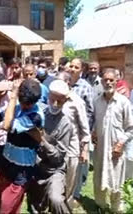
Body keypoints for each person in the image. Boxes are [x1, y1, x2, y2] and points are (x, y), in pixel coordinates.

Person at [0, 79, 44, 214]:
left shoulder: (35, 116)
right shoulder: (17, 108)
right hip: (6, 163)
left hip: (21, 171)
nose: (25, 106)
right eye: (23, 103)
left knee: (7, 208)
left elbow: (7, 125)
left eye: (29, 104)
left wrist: (13, 95)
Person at [27, 80, 73, 214]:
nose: (55, 104)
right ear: (48, 96)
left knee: (56, 199)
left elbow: (59, 157)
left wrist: (42, 140)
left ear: (65, 101)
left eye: (60, 101)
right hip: (36, 169)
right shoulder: (39, 113)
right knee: (36, 207)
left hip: (54, 171)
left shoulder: (65, 124)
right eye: (52, 99)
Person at [93, 68, 133, 213]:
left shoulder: (124, 102)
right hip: (100, 148)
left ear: (117, 81)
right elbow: (97, 122)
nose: (108, 82)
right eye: (105, 80)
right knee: (98, 177)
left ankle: (117, 208)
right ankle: (101, 205)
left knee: (116, 179)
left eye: (111, 80)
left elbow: (131, 128)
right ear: (101, 81)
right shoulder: (97, 101)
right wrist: (94, 132)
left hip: (116, 149)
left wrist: (120, 143)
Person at [56, 71, 91, 205]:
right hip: (56, 147)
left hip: (71, 148)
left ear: (68, 83)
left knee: (69, 180)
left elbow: (84, 129)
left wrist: (85, 150)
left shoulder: (76, 102)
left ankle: (67, 205)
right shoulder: (53, 98)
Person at [67, 58, 94, 204]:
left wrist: (84, 134)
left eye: (75, 67)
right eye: (70, 66)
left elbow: (90, 112)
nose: (72, 69)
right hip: (63, 133)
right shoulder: (64, 83)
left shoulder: (85, 87)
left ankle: (74, 195)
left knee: (77, 164)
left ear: (81, 70)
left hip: (78, 133)